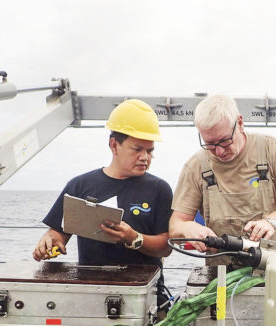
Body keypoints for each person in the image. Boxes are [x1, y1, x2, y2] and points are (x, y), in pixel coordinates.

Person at [32, 99, 172, 268]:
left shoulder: (159, 189)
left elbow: (166, 248)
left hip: (143, 289)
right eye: (137, 149)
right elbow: (58, 233)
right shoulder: (78, 186)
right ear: (114, 145)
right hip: (92, 287)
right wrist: (49, 242)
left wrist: (134, 238)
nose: (145, 157)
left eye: (150, 151)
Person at [168, 94, 276, 256]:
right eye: (210, 144)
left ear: (240, 123)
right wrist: (186, 227)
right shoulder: (196, 166)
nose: (219, 151)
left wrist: (272, 222)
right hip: (221, 268)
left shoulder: (269, 149)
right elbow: (175, 226)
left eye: (225, 141)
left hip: (273, 262)